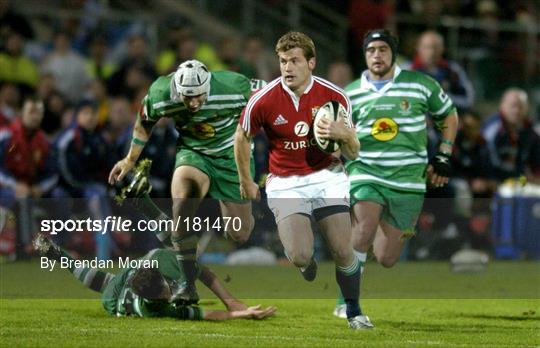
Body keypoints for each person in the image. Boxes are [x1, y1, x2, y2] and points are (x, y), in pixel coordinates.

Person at [234, 31, 369, 329]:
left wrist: (344, 134)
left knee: (344, 251)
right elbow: (242, 136)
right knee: (298, 255)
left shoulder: (335, 96)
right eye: (283, 61)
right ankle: (307, 264)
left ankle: (355, 312)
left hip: (327, 177)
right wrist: (246, 180)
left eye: (294, 61)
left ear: (311, 62)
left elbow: (355, 152)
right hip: (285, 182)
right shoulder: (264, 98)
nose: (287, 68)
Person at [108, 60, 260, 303]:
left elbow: (273, 98)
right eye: (187, 97)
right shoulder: (160, 92)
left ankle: (246, 217)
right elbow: (144, 121)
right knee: (181, 209)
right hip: (193, 153)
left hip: (230, 157)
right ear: (177, 89)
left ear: (208, 87)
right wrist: (129, 159)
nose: (193, 103)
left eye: (198, 96)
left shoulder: (234, 86)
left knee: (239, 234)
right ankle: (187, 285)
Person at [334, 29, 459, 322]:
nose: (377, 55)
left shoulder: (421, 85)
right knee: (363, 228)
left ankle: (362, 244)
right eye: (371, 50)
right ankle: (346, 300)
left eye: (382, 49)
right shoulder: (349, 93)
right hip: (366, 171)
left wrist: (443, 154)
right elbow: (339, 135)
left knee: (388, 257)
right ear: (365, 55)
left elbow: (449, 116)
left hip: (408, 178)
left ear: (393, 53)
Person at [33, 234, 275, 321]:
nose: (167, 296)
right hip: (116, 298)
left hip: (145, 265)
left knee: (113, 277)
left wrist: (230, 301)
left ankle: (58, 255)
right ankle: (59, 255)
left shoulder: (168, 263)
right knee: (106, 286)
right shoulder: (153, 308)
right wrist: (238, 314)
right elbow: (205, 315)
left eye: (165, 289)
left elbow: (206, 274)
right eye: (162, 296)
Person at [402, 30, 474, 111]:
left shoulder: (453, 70)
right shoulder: (406, 70)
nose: (432, 52)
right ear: (418, 48)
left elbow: (468, 100)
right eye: (427, 47)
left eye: (436, 47)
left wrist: (443, 98)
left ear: (442, 48)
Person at [482, 88, 540, 182]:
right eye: (513, 106)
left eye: (521, 106)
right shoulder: (492, 129)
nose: (516, 111)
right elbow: (487, 162)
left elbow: (536, 160)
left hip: (519, 179)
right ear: (502, 106)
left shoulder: (530, 131)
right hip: (492, 180)